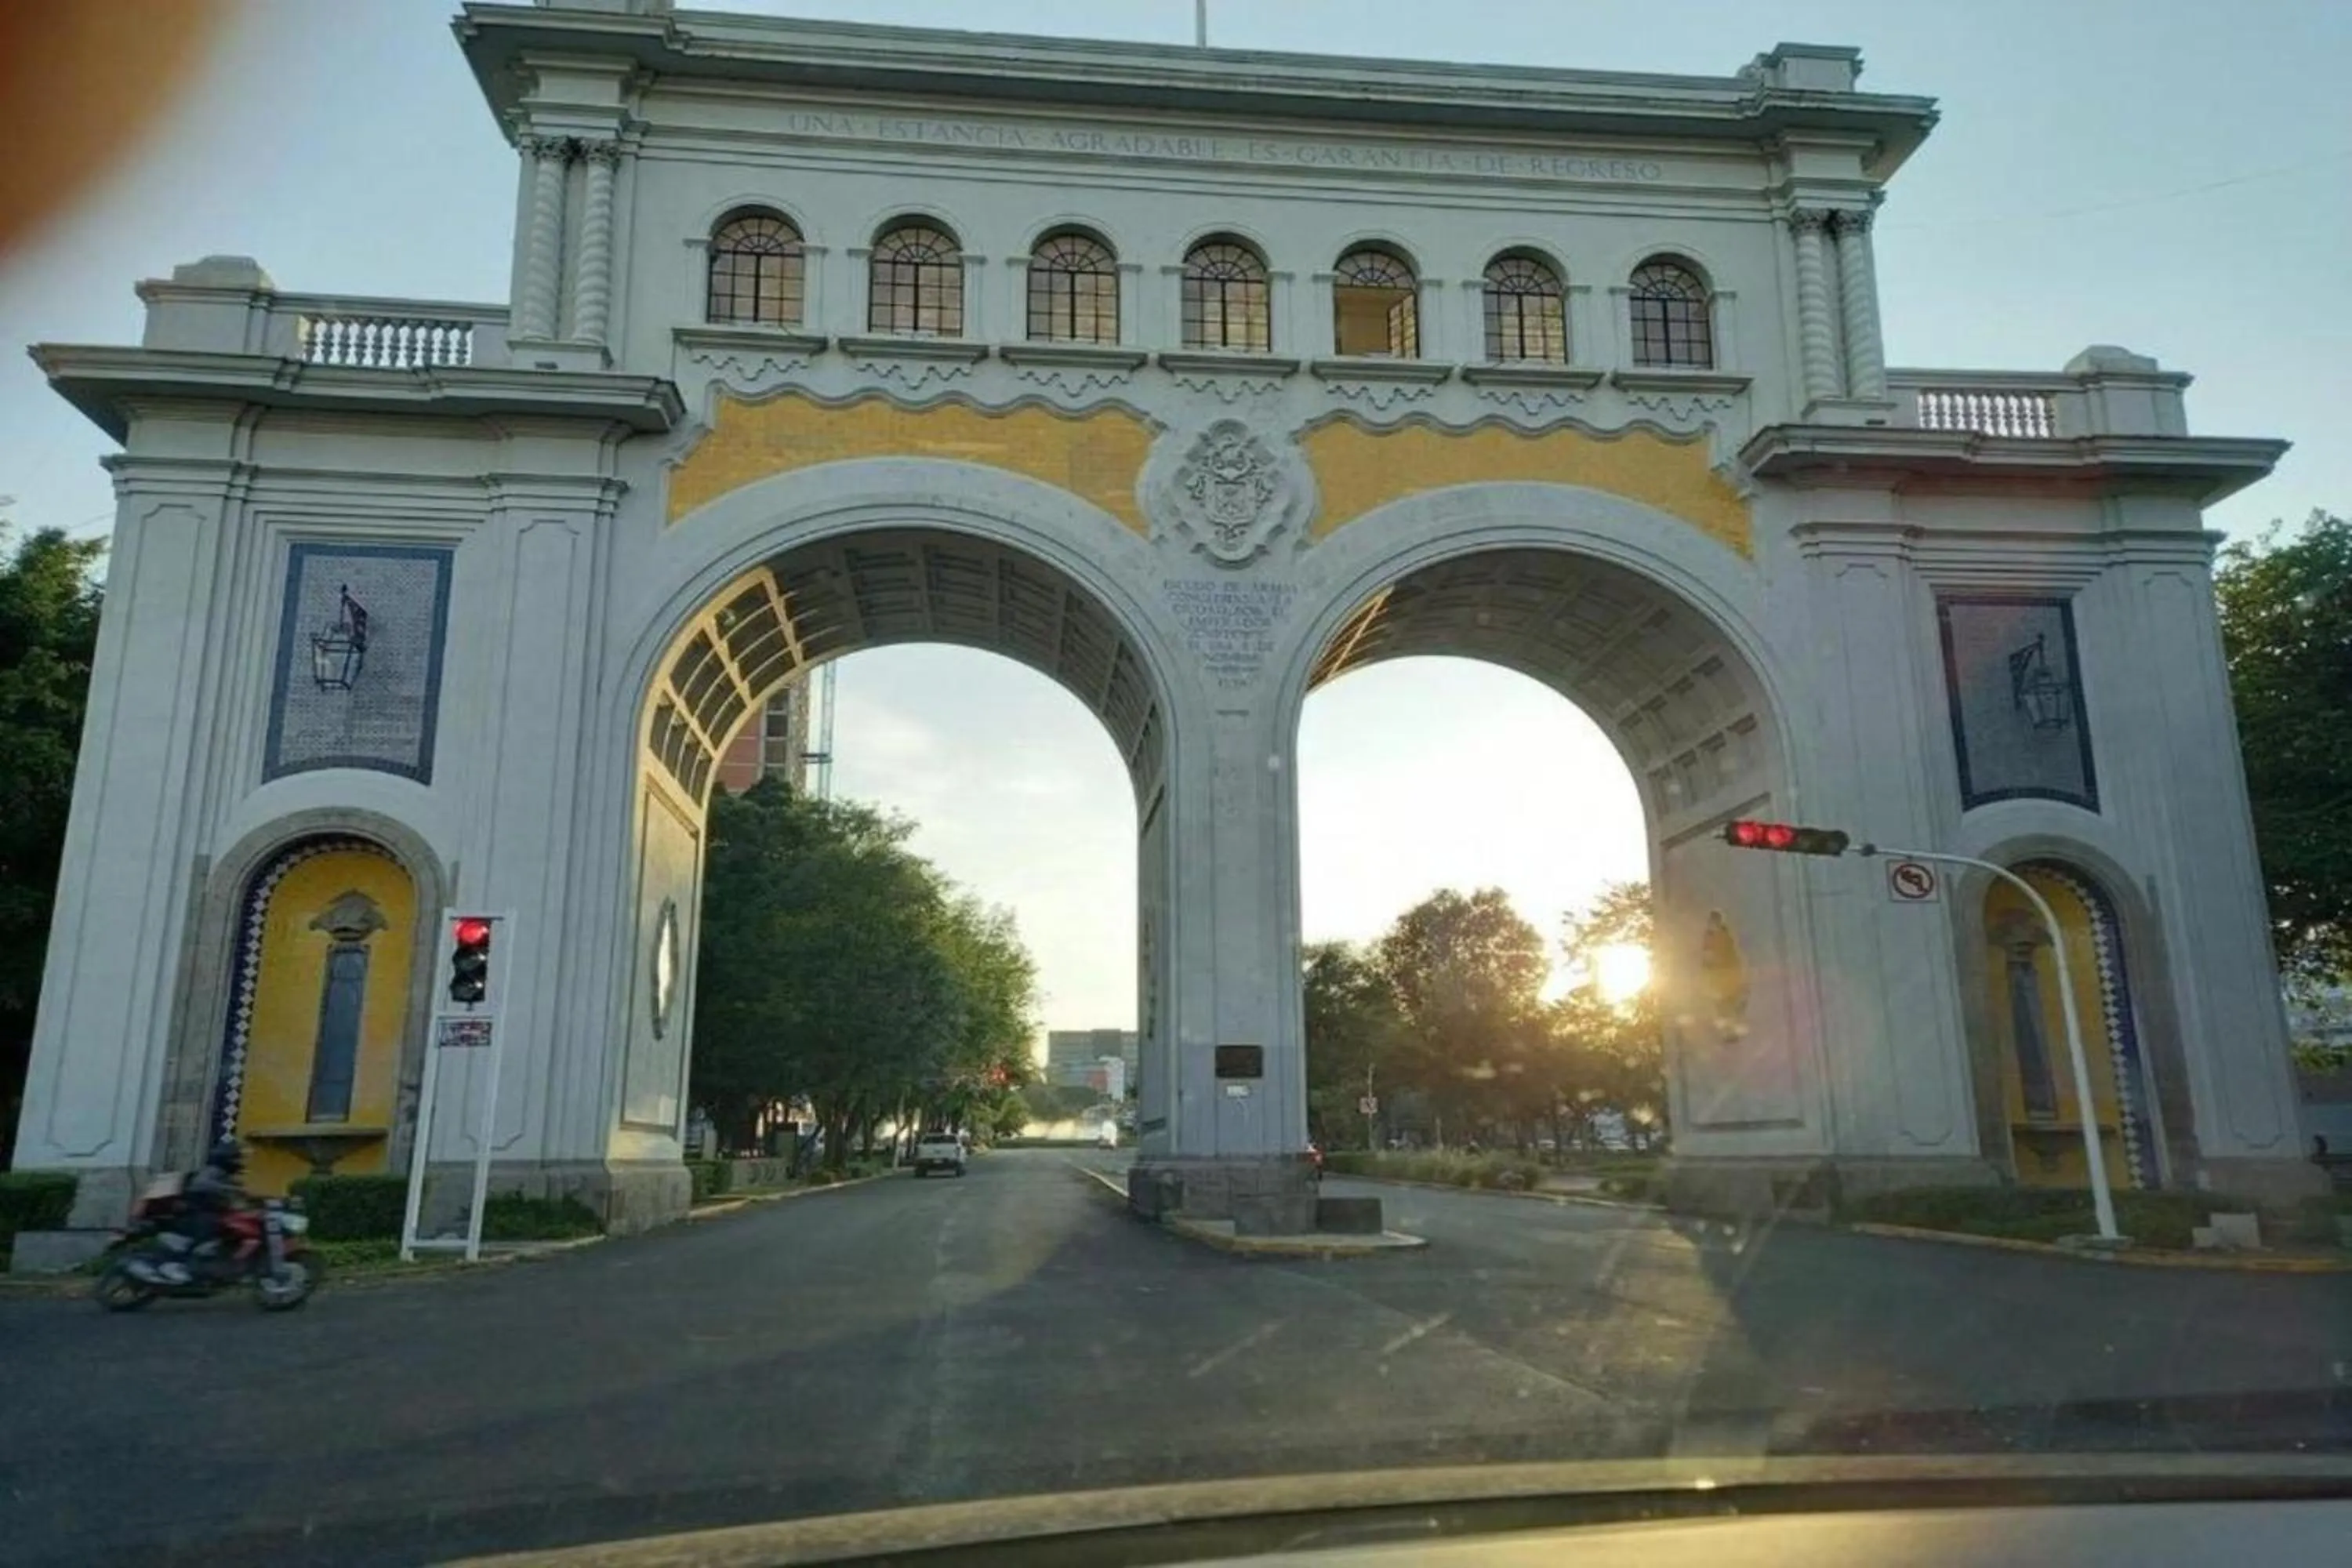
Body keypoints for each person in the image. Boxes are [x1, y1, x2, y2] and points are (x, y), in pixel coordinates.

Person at [136, 1138, 246, 1285]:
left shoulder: (223, 1175)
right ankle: (177, 1265)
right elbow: (202, 1184)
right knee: (208, 1228)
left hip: (198, 1212)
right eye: (235, 1158)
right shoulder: (213, 1171)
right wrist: (231, 1190)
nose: (238, 1162)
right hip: (194, 1213)